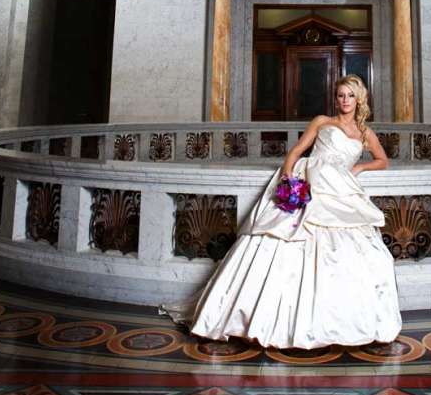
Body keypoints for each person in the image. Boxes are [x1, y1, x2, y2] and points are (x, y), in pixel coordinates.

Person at [165, 75, 402, 350]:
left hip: (338, 189)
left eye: (350, 95)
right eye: (340, 95)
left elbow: (383, 160)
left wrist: (360, 168)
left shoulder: (365, 132)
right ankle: (268, 319)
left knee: (351, 252)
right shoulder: (322, 121)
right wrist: (288, 177)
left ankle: (337, 322)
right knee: (282, 239)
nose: (344, 101)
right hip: (310, 179)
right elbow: (297, 151)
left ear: (359, 99)